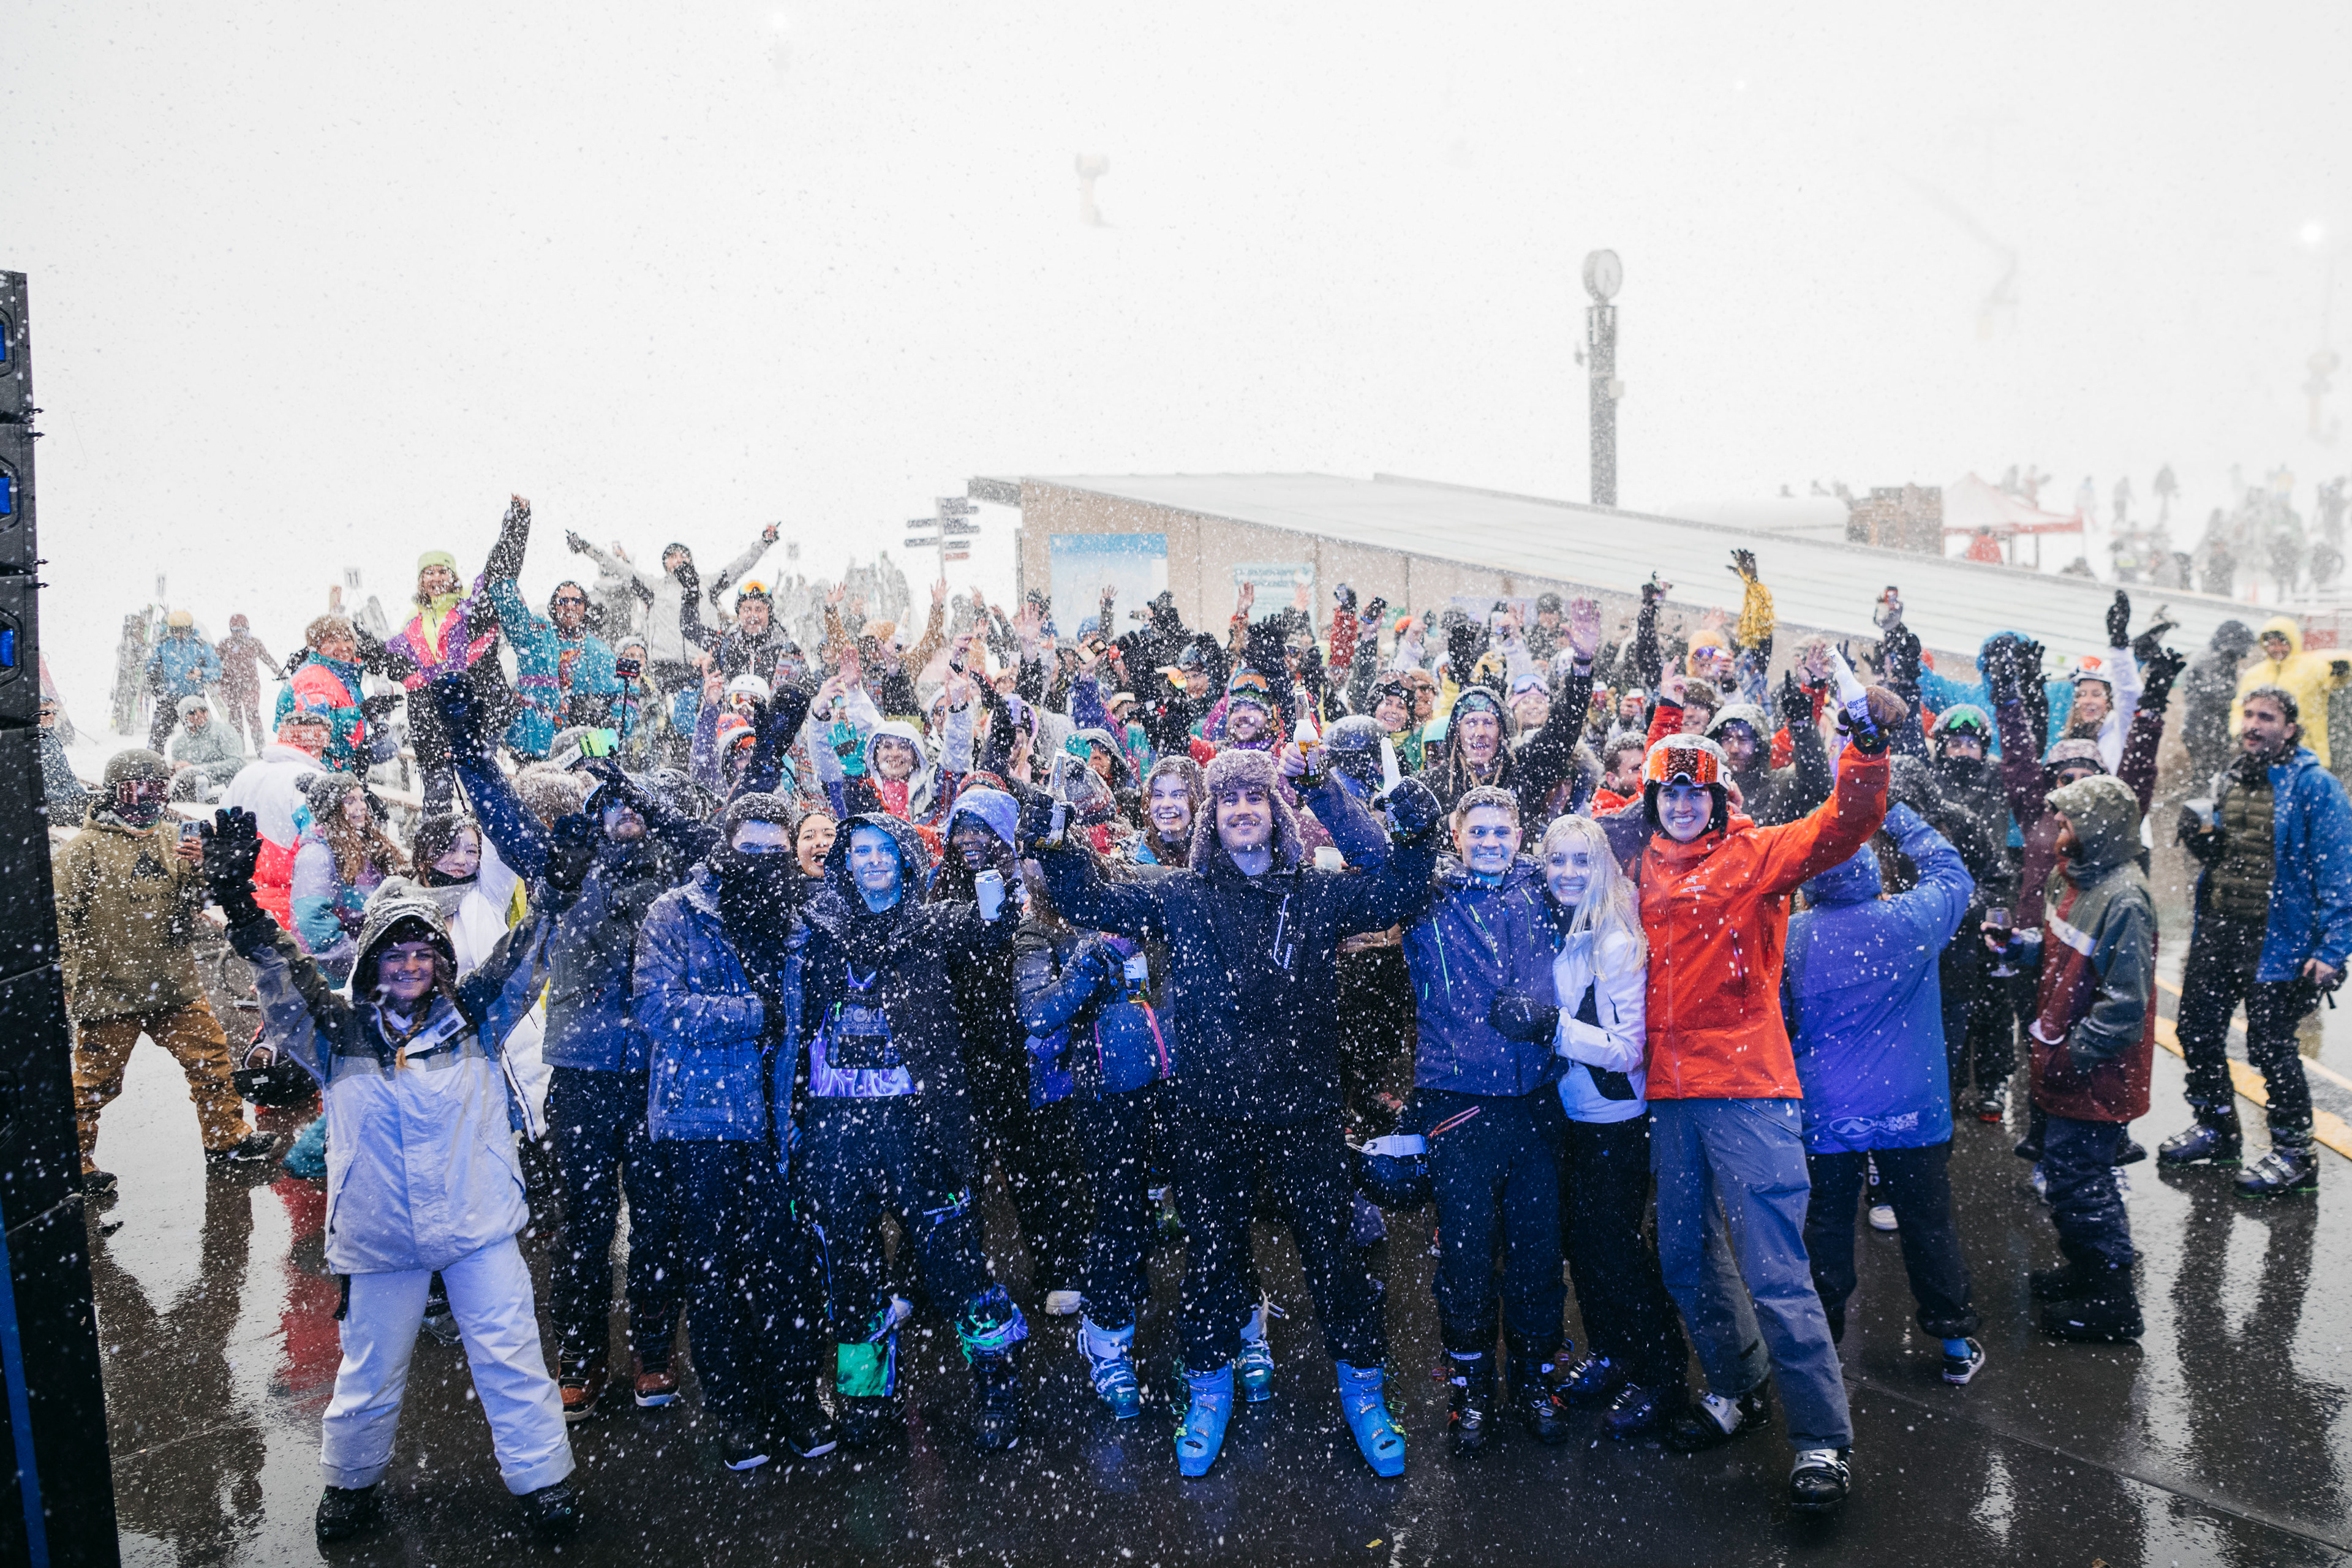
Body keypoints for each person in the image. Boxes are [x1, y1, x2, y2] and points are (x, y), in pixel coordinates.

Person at [1036, 747, 1442, 1479]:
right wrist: (1054, 846)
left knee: (1332, 1258)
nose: (1243, 810)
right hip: (1209, 1116)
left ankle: (1367, 1392)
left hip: (1304, 1112)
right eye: (1229, 802)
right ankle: (1207, 1387)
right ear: (1212, 819)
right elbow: (1092, 902)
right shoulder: (1181, 894)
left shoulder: (1315, 896)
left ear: (1276, 813)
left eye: (1257, 798)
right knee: (1213, 1259)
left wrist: (1393, 821)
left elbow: (1399, 892)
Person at [202, 809, 580, 1542]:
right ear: (371, 960)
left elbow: (525, 952)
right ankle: (351, 1485)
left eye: (424, 953)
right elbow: (286, 978)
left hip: (478, 1228)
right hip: (380, 1239)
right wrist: (244, 912)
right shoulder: (337, 1033)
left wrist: (558, 894)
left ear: (441, 961)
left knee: (513, 1360)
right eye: (394, 953)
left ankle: (545, 1482)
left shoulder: (477, 1016)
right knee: (369, 1374)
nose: (410, 966)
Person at [1624, 684, 1896, 1517]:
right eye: (1669, 791)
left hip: (1747, 1090)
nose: (1680, 805)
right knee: (1683, 1257)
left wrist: (1866, 752)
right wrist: (1664, 721)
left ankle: (1821, 1439)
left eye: (1694, 791)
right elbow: (1592, 807)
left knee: (1777, 1271)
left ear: (1716, 798)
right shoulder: (1637, 861)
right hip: (1669, 1095)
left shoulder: (1756, 856)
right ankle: (1737, 1387)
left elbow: (1844, 825)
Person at [790, 810, 1030, 1451]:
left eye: (884, 849)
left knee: (954, 1263)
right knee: (852, 1269)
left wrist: (989, 874)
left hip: (916, 1120)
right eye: (860, 850)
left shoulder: (931, 922)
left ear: (903, 858)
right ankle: (867, 1398)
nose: (871, 861)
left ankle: (997, 1385)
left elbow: (995, 924)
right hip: (835, 1124)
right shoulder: (816, 927)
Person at [632, 792, 839, 1468]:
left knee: (786, 1272)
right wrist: (752, 1013)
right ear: (723, 849)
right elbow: (657, 1008)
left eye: (773, 852)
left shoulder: (800, 915)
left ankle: (797, 1397)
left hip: (778, 1124)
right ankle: (736, 1411)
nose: (760, 865)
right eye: (746, 850)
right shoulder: (675, 913)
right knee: (716, 1275)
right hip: (703, 1123)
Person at [1398, 786, 1573, 1454]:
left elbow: (1604, 844)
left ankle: (1533, 1375)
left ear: (1522, 832)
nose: (1493, 841)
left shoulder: (1547, 891)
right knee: (1466, 1257)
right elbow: (1361, 852)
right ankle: (1468, 1384)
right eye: (1480, 831)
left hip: (1537, 1105)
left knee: (1537, 1251)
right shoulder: (1428, 896)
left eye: (1504, 830)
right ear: (1456, 832)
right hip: (1459, 1106)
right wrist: (1320, 782)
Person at [1784, 804, 1985, 1384]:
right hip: (1912, 1108)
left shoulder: (1795, 938)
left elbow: (1780, 1016)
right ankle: (1953, 1342)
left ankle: (1822, 1341)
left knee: (1826, 1223)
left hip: (1827, 1108)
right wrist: (1895, 814)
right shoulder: (1912, 920)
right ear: (1871, 873)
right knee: (1927, 1221)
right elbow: (1954, 876)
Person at [2163, 687, 2352, 1197]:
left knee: (2271, 1048)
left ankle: (2295, 1155)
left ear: (2290, 728)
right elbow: (2229, 855)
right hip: (2221, 927)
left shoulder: (2317, 788)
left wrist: (2333, 950)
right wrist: (2204, 844)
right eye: (2247, 715)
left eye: (2266, 717)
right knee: (2197, 1030)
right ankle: (2217, 1129)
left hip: (2279, 939)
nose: (2252, 725)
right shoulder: (2230, 777)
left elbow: (2340, 874)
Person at [58, 751, 276, 1193]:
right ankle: (72, 1164)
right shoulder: (84, 850)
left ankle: (226, 1139)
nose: (148, 799)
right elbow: (59, 917)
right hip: (111, 989)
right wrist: (64, 982)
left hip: (174, 983)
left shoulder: (173, 838)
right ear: (115, 792)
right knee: (94, 1084)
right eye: (138, 789)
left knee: (212, 1063)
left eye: (159, 789)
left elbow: (193, 904)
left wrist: (203, 867)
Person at [1014, 846, 1172, 1419]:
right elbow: (1035, 1014)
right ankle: (1108, 1342)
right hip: (1107, 1091)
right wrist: (1087, 966)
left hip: (1178, 1084)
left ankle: (1230, 1333)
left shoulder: (1143, 911)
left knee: (1212, 1209)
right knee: (1119, 1215)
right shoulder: (1041, 934)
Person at [2021, 775, 2158, 1343]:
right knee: (2065, 1173)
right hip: (2064, 1061)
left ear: (2098, 830)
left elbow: (2126, 1007)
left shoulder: (2125, 900)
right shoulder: (2071, 876)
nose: (2059, 831)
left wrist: (2074, 1054)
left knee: (2083, 1181)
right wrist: (2020, 948)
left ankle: (2111, 1300)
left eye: (2070, 822)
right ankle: (2085, 1271)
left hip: (2096, 1072)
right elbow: (2057, 951)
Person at [386, 503, 529, 813]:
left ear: (453, 576)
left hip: (476, 716)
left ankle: (485, 853)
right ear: (420, 580)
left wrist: (516, 523)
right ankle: (441, 856)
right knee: (437, 802)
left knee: (484, 795)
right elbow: (390, 660)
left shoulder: (470, 608)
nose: (436, 578)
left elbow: (499, 571)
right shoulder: (411, 623)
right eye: (429, 572)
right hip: (432, 724)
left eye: (443, 571)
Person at [289, 774, 408, 986]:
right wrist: (359, 961)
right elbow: (311, 921)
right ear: (332, 810)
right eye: (350, 801)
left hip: (375, 965)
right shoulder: (316, 855)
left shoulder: (364, 842)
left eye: (362, 799)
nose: (361, 807)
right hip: (338, 977)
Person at [222, 709, 331, 929]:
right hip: (298, 906)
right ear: (316, 744)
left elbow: (221, 833)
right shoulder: (313, 782)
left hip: (247, 901)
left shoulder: (246, 775)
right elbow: (324, 848)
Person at [2233, 616, 2352, 769]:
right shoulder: (2254, 674)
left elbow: (2341, 674)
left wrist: (2342, 668)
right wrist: (2238, 730)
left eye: (2283, 643)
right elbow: (2239, 707)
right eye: (2271, 644)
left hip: (2307, 750)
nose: (2277, 649)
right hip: (2264, 748)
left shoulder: (2312, 668)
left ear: (2293, 642)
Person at [277, 616, 379, 774]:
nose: (343, 647)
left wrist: (362, 748)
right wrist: (359, 712)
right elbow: (314, 731)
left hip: (340, 770)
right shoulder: (313, 678)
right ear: (316, 647)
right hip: (320, 773)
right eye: (332, 642)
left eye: (347, 639)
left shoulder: (341, 675)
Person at [2182, 620, 2258, 784]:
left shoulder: (2217, 655)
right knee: (2210, 777)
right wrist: (2241, 700)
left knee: (2210, 776)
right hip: (2204, 730)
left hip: (2204, 729)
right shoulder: (2213, 659)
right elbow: (2215, 695)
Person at [145, 610, 221, 752]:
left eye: (184, 631)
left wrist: (201, 672)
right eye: (176, 631)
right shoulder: (163, 646)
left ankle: (200, 765)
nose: (180, 635)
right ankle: (153, 765)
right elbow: (151, 668)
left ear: (190, 629)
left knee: (201, 737)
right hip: (168, 698)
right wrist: (157, 688)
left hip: (193, 699)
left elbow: (217, 670)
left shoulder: (201, 646)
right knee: (157, 737)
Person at [214, 612, 283, 754]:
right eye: (235, 631)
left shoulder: (254, 643)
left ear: (247, 629)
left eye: (242, 630)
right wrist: (213, 678)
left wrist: (280, 673)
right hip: (230, 685)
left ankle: (260, 748)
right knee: (234, 717)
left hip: (250, 684)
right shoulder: (225, 644)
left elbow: (267, 658)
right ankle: (238, 749)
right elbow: (214, 662)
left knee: (253, 714)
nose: (239, 634)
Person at [167, 694, 247, 801]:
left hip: (227, 791)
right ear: (184, 717)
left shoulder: (224, 732)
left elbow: (238, 763)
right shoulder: (179, 744)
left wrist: (197, 769)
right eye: (192, 712)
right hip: (194, 796)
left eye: (202, 710)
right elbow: (182, 778)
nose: (199, 715)